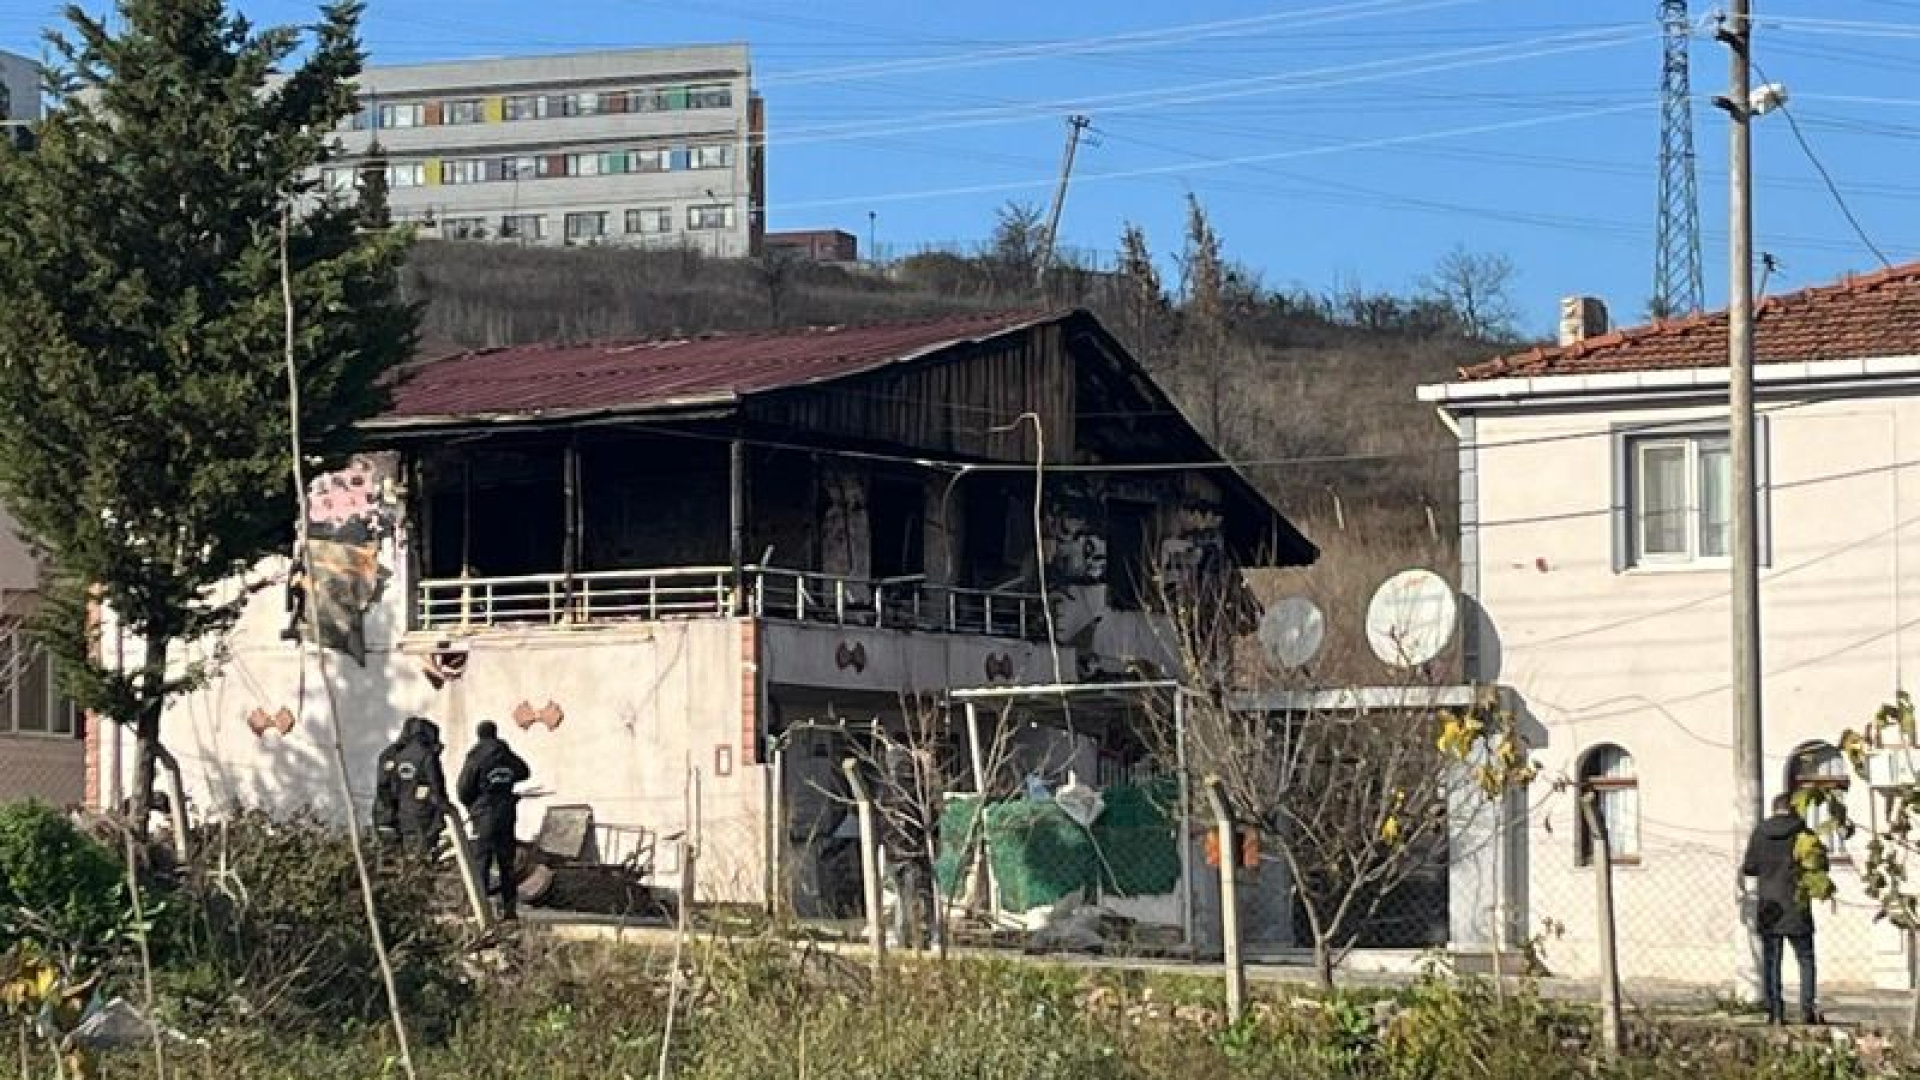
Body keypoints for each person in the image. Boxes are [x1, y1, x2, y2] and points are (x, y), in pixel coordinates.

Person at [1742, 792, 1825, 1025]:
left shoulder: (1761, 832)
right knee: (1805, 958)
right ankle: (1807, 1010)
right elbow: (1817, 862)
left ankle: (1775, 1012)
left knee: (1771, 959)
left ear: (1773, 808)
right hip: (1797, 902)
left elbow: (1750, 867)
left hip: (1771, 905)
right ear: (1793, 808)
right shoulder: (1803, 833)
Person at [459, 721, 531, 921]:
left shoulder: (476, 757)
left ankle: (478, 909)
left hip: (484, 816)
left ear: (479, 735)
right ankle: (509, 910)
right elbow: (524, 771)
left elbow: (463, 788)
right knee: (506, 864)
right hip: (506, 814)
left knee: (481, 862)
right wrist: (505, 784)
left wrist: (473, 806)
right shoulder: (506, 755)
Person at [879, 743, 935, 950]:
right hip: (912, 853)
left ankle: (906, 936)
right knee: (914, 897)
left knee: (903, 897)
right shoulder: (915, 792)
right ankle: (919, 936)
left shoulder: (885, 790)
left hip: (893, 852)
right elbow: (928, 820)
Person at [390, 717, 450, 857]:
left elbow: (394, 788)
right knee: (426, 855)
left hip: (405, 814)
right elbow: (435, 784)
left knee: (411, 857)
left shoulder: (399, 757)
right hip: (425, 815)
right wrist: (443, 806)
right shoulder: (427, 756)